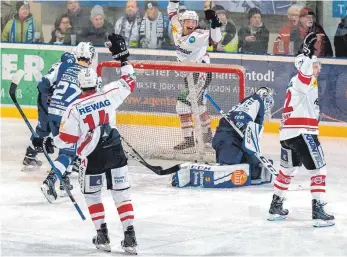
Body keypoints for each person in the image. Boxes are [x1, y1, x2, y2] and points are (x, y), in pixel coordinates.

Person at [34, 33, 138, 254]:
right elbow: (130, 80)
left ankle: (103, 237)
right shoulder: (109, 93)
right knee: (121, 194)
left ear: (80, 85)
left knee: (92, 195)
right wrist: (123, 58)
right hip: (115, 149)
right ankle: (130, 238)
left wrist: (49, 140)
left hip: (92, 156)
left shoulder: (74, 109)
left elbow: (67, 140)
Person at [267, 32, 335, 227]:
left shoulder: (294, 84)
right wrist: (307, 51)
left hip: (287, 134)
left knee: (287, 170)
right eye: (315, 65)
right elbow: (305, 70)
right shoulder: (303, 80)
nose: (318, 68)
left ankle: (275, 206)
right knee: (319, 170)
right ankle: (318, 211)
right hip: (302, 133)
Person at [36, 42, 95, 201]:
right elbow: (91, 101)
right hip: (68, 116)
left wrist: (50, 98)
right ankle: (50, 181)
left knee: (67, 150)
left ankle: (64, 182)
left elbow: (42, 84)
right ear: (91, 57)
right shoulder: (89, 74)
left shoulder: (63, 67)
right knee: (68, 153)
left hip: (52, 112)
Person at [167, 0, 222, 150]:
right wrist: (173, 2)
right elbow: (172, 12)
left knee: (182, 106)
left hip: (201, 72)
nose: (190, 24)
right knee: (200, 105)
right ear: (182, 22)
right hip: (189, 74)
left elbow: (216, 39)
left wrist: (215, 23)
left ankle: (189, 139)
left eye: (194, 21)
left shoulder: (200, 35)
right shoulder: (176, 28)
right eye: (188, 21)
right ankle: (208, 138)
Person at [22, 52, 76, 171]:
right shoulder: (62, 67)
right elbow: (42, 85)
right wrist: (49, 95)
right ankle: (64, 161)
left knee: (49, 129)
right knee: (58, 130)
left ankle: (32, 154)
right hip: (48, 101)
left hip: (51, 101)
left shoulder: (62, 66)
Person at [212, 86, 274, 182]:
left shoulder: (253, 104)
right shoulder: (256, 100)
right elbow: (241, 115)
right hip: (229, 138)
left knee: (254, 172)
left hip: (236, 139)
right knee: (227, 170)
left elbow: (253, 141)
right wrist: (244, 126)